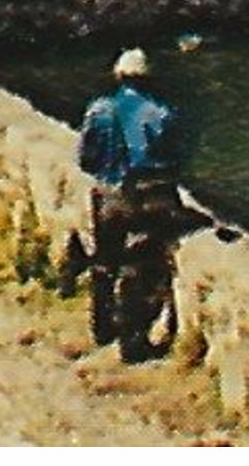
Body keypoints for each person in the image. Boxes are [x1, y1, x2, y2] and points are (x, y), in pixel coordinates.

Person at [77, 48, 208, 362]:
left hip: (109, 196)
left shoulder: (99, 110)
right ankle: (132, 341)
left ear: (118, 76)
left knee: (104, 260)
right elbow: (179, 158)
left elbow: (85, 158)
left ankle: (101, 325)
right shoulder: (164, 113)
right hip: (151, 199)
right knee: (142, 266)